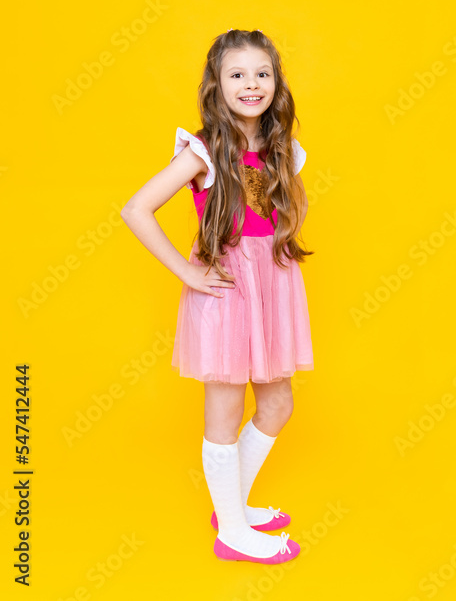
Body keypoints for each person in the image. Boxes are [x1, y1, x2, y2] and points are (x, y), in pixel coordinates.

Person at [121, 28, 314, 564]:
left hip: (271, 285)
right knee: (225, 411)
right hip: (226, 289)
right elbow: (136, 209)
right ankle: (232, 530)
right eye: (237, 74)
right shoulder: (204, 149)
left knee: (277, 402)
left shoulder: (283, 149)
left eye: (262, 73)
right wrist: (187, 272)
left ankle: (231, 506)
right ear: (217, 84)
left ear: (276, 81)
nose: (251, 84)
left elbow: (275, 215)